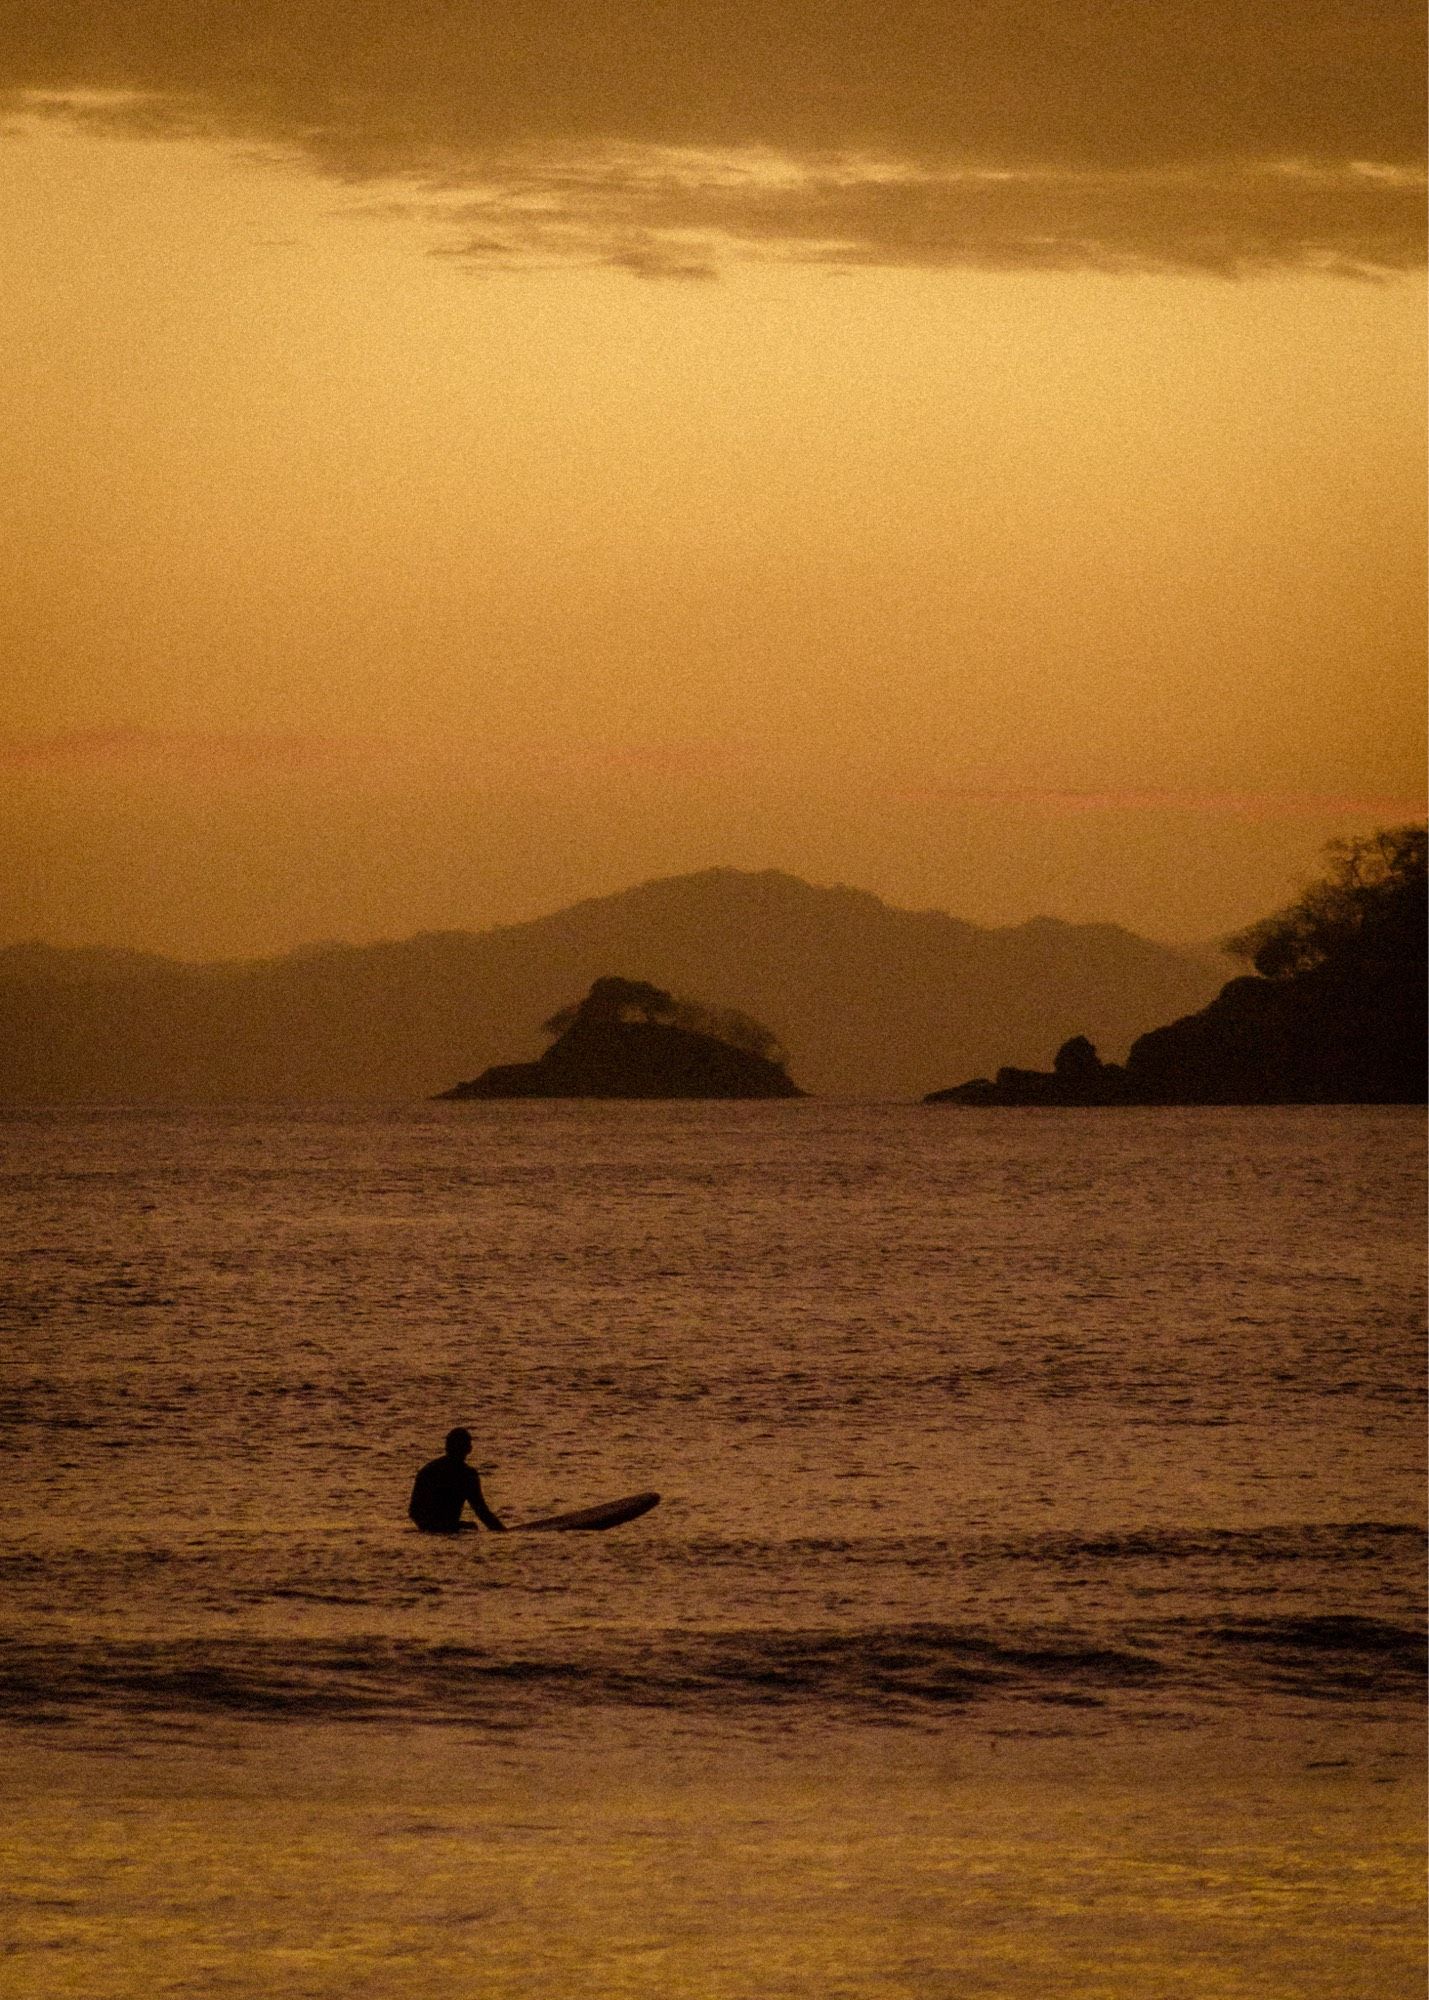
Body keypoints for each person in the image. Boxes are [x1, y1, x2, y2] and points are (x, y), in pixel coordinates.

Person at [408, 1427, 508, 1533]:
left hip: (430, 1528)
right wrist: (502, 1532)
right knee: (472, 1527)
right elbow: (482, 1512)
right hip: (439, 1528)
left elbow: (414, 1511)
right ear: (469, 1449)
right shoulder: (467, 1475)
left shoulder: (428, 1470)